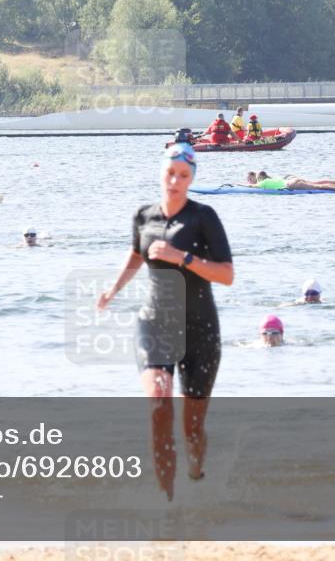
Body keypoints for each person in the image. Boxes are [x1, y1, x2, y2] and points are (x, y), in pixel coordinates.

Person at [98, 143, 234, 500]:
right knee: (159, 405)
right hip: (154, 322)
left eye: (183, 176)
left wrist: (181, 257)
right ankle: (166, 502)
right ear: (161, 173)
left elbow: (226, 275)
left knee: (192, 428)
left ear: (192, 179)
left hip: (199, 328)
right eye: (170, 173)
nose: (175, 181)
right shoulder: (144, 216)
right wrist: (112, 289)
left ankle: (196, 472)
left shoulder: (203, 217)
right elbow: (135, 254)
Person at [253, 171, 335, 193]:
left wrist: (238, 184)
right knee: (316, 183)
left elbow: (251, 185)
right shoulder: (271, 179)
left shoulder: (264, 182)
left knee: (317, 186)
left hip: (292, 182)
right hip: (292, 180)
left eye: (257, 178)